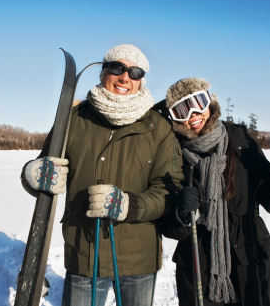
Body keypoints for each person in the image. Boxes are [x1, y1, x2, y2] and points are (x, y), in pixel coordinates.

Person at [21, 44, 183, 306]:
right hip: (84, 252)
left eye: (135, 72)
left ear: (141, 80)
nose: (125, 78)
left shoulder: (159, 128)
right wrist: (34, 174)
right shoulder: (73, 118)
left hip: (138, 258)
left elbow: (169, 189)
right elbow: (44, 166)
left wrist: (129, 205)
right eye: (117, 68)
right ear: (103, 72)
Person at [159, 77, 270, 306]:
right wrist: (180, 215)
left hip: (252, 260)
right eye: (182, 109)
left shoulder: (239, 140)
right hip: (199, 268)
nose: (193, 114)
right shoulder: (172, 153)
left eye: (198, 102)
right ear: (174, 117)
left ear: (210, 103)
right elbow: (169, 227)